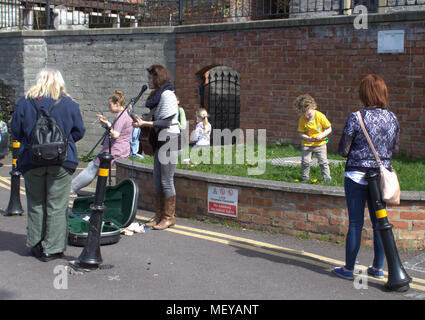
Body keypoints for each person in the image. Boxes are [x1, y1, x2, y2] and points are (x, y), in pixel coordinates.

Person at [10, 68, 85, 262]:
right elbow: (79, 131)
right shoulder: (69, 103)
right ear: (59, 82)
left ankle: (35, 243)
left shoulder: (25, 102)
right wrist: (63, 143)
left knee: (35, 203)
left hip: (31, 160)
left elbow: (16, 132)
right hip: (62, 160)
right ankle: (52, 248)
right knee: (57, 206)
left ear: (38, 81)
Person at [333, 74, 400, 280]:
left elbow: (343, 150)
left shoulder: (357, 117)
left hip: (356, 176)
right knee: (380, 222)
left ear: (364, 94)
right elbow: (395, 150)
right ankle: (377, 268)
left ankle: (349, 269)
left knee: (355, 223)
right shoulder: (393, 118)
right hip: (380, 178)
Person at [133, 64, 180, 230]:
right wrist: (145, 118)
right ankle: (159, 215)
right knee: (157, 181)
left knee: (166, 180)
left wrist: (145, 122)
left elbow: (166, 121)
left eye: (150, 77)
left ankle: (169, 217)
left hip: (170, 138)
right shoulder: (158, 95)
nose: (148, 80)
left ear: (157, 78)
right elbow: (157, 117)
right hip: (160, 138)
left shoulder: (167, 95)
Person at [71, 89, 133, 194]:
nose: (109, 108)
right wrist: (106, 123)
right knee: (96, 170)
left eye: (110, 105)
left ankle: (71, 189)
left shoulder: (121, 116)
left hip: (115, 149)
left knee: (92, 168)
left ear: (117, 104)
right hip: (119, 149)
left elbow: (115, 134)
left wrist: (108, 124)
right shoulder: (124, 115)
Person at [294, 94, 332, 182]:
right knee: (305, 162)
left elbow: (329, 128)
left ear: (313, 107)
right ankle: (305, 177)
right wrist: (307, 138)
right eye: (304, 115)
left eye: (309, 114)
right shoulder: (302, 119)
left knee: (323, 162)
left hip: (320, 144)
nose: (307, 117)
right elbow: (300, 133)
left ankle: (327, 178)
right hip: (307, 144)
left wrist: (322, 135)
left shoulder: (320, 116)